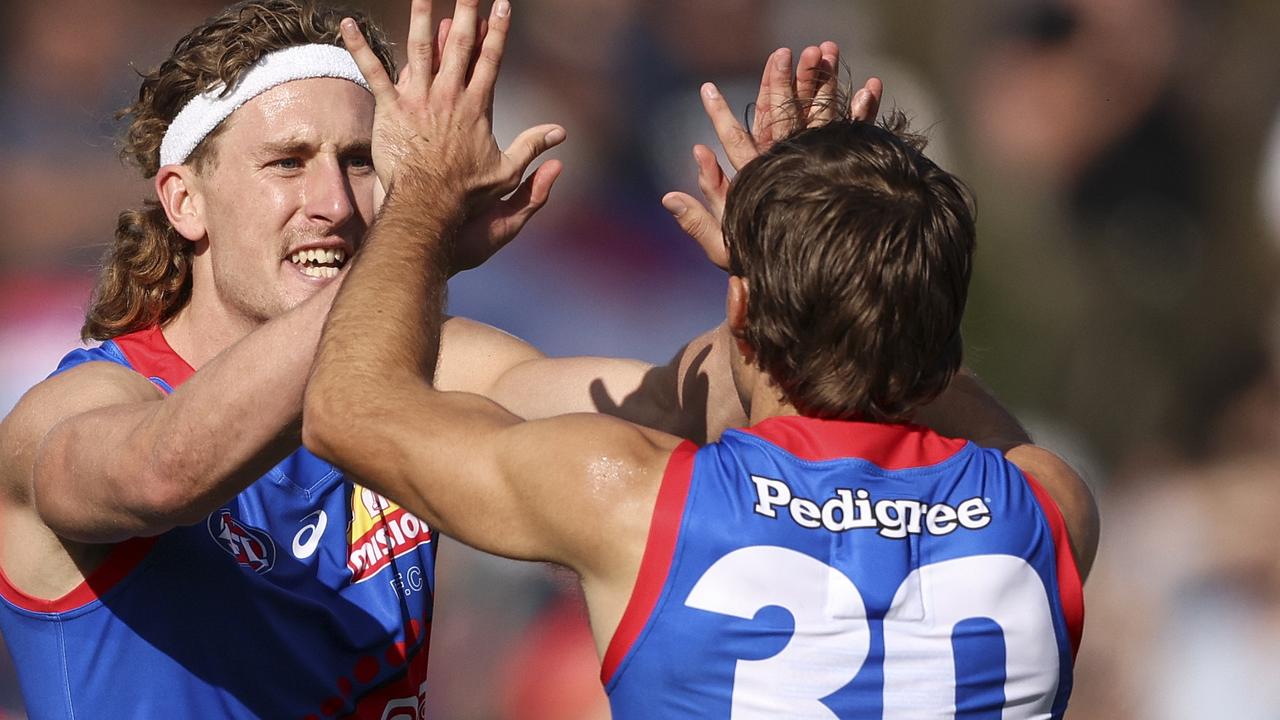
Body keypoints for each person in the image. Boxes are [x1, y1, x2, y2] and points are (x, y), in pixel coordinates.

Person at [0, 0, 855, 715]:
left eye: (364, 164)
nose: (333, 204)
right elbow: (167, 474)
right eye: (288, 164)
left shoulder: (427, 369)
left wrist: (801, 260)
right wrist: (416, 243)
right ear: (184, 201)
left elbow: (674, 409)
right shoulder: (73, 412)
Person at [303, 8, 1100, 719]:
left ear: (740, 310)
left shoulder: (635, 500)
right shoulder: (1049, 509)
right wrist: (837, 262)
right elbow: (931, 385)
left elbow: (346, 409)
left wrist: (423, 200)